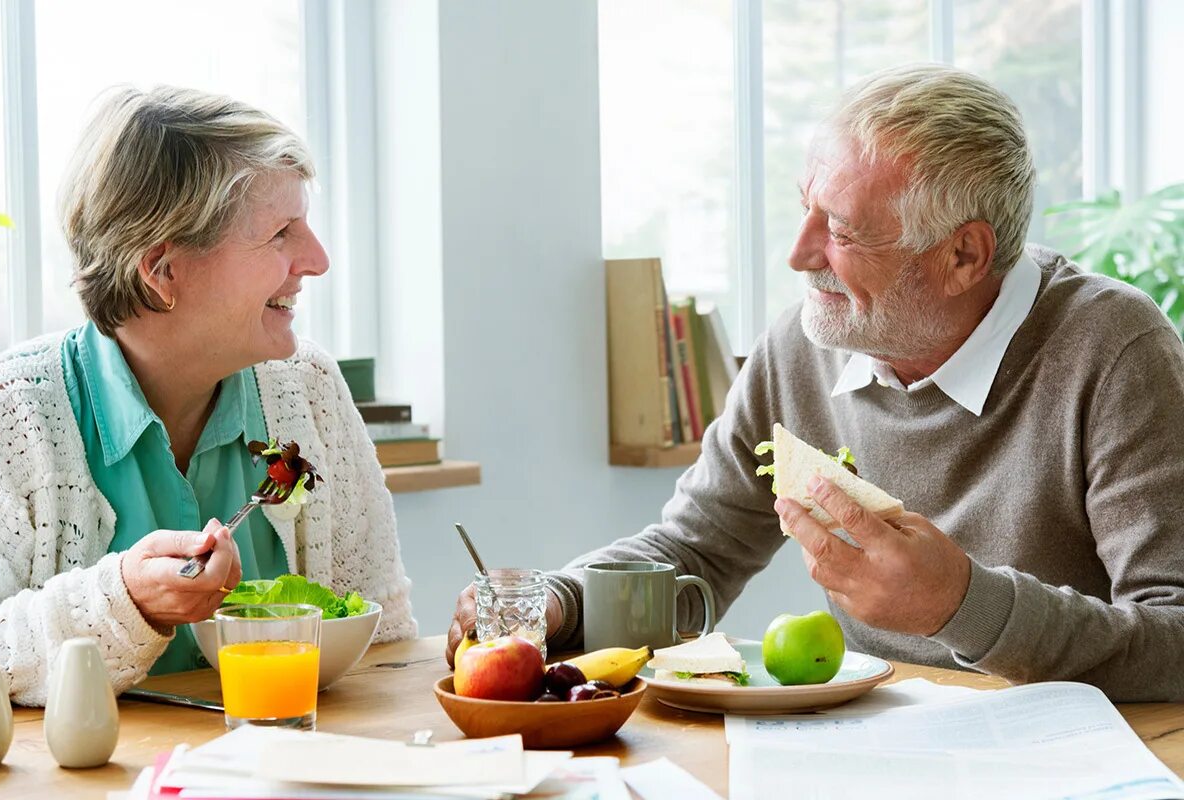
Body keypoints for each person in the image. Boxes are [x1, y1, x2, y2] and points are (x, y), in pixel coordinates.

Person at [448, 64, 1184, 702]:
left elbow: (1175, 636)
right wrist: (560, 599)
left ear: (963, 255)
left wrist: (961, 604)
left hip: (1084, 756)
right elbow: (696, 549)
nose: (800, 255)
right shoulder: (803, 344)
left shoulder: (1114, 348)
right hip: (870, 741)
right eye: (806, 208)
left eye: (840, 229)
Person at [0, 86, 416, 706]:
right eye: (280, 233)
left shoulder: (310, 389)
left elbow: (384, 645)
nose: (317, 259)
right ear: (162, 272)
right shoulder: (9, 414)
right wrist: (127, 599)